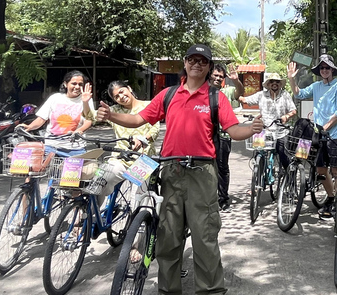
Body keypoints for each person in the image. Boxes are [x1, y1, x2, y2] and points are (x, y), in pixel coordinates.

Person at [96, 44, 263, 295]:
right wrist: (111, 116)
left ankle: (210, 290)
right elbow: (139, 119)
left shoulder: (216, 97)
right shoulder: (168, 94)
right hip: (171, 171)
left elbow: (233, 129)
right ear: (185, 63)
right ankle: (168, 289)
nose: (197, 64)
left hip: (202, 172)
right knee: (169, 238)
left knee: (204, 237)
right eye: (192, 59)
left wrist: (250, 129)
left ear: (208, 67)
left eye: (203, 61)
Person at [287, 53, 337, 219]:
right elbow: (299, 94)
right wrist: (292, 79)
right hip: (320, 135)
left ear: (332, 70)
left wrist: (325, 127)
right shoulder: (316, 86)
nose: (324, 70)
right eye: (322, 68)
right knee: (321, 169)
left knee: (336, 171)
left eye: (327, 67)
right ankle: (331, 197)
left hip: (335, 135)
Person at [19, 70, 95, 154]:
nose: (77, 87)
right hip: (51, 147)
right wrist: (29, 127)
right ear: (66, 84)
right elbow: (41, 119)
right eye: (74, 83)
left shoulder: (86, 100)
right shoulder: (54, 98)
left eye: (80, 84)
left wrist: (79, 130)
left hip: (75, 148)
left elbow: (88, 120)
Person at [239, 72, 297, 169]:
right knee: (258, 153)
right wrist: (236, 89)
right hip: (264, 131)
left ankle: (288, 176)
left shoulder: (285, 95)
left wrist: (286, 117)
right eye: (272, 81)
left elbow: (293, 110)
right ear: (268, 84)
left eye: (277, 82)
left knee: (283, 155)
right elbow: (244, 100)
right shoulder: (261, 95)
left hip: (280, 131)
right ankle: (259, 174)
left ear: (280, 84)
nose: (274, 83)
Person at [209, 63, 244, 212]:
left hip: (223, 136)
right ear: (209, 75)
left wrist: (236, 80)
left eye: (221, 77)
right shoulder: (202, 91)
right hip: (206, 136)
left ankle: (223, 199)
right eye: (215, 75)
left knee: (222, 167)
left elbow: (240, 92)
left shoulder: (227, 92)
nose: (217, 78)